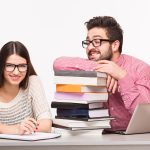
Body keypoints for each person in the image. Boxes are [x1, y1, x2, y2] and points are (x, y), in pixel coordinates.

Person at [82, 16, 150, 132]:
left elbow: (146, 117)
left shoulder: (140, 69)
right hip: (96, 138)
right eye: (88, 42)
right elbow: (58, 63)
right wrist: (103, 68)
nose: (90, 47)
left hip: (135, 141)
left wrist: (122, 76)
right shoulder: (88, 67)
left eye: (97, 42)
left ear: (115, 45)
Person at [0, 41, 52, 135]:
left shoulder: (32, 82)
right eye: (9, 66)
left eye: (22, 66)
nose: (16, 72)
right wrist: (16, 129)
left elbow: (46, 124)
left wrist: (24, 128)